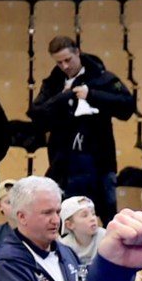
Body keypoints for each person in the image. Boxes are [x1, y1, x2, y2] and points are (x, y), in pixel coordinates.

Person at [30, 37, 133, 218]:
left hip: (100, 161)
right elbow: (36, 114)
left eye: (68, 60)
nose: (65, 66)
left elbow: (126, 107)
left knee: (105, 216)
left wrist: (92, 95)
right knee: (65, 219)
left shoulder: (102, 77)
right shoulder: (53, 82)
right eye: (59, 62)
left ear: (77, 52)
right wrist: (62, 98)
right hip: (63, 163)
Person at [60, 196, 103, 271]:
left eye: (93, 214)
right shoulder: (64, 246)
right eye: (85, 215)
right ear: (70, 225)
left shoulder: (105, 237)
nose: (92, 218)